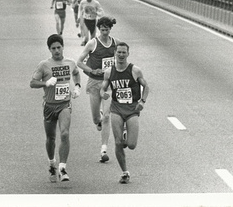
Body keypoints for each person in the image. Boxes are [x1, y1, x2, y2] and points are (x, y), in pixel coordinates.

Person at [30, 34, 81, 183]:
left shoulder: (70, 63)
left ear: (63, 47)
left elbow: (77, 73)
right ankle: (52, 163)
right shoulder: (44, 65)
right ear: (49, 50)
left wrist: (77, 86)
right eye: (53, 48)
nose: (57, 51)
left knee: (64, 134)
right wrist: (45, 83)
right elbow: (32, 83)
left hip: (64, 104)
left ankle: (62, 167)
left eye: (59, 47)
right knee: (51, 138)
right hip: (49, 106)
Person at [100, 42, 149, 184]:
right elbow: (103, 88)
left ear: (128, 54)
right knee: (117, 142)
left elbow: (146, 87)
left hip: (132, 109)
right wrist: (103, 94)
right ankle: (124, 172)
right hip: (116, 108)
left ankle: (127, 133)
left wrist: (142, 102)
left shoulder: (135, 70)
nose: (121, 55)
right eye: (119, 52)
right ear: (115, 53)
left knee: (132, 145)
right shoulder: (109, 72)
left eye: (124, 52)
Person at [77, 16, 119, 163]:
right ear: (99, 28)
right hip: (95, 83)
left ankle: (103, 149)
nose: (104, 30)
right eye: (102, 28)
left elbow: (122, 60)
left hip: (108, 84)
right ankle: (98, 120)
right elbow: (79, 62)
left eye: (107, 27)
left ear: (110, 29)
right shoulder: (92, 43)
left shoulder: (116, 44)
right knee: (96, 118)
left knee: (107, 116)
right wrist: (92, 71)